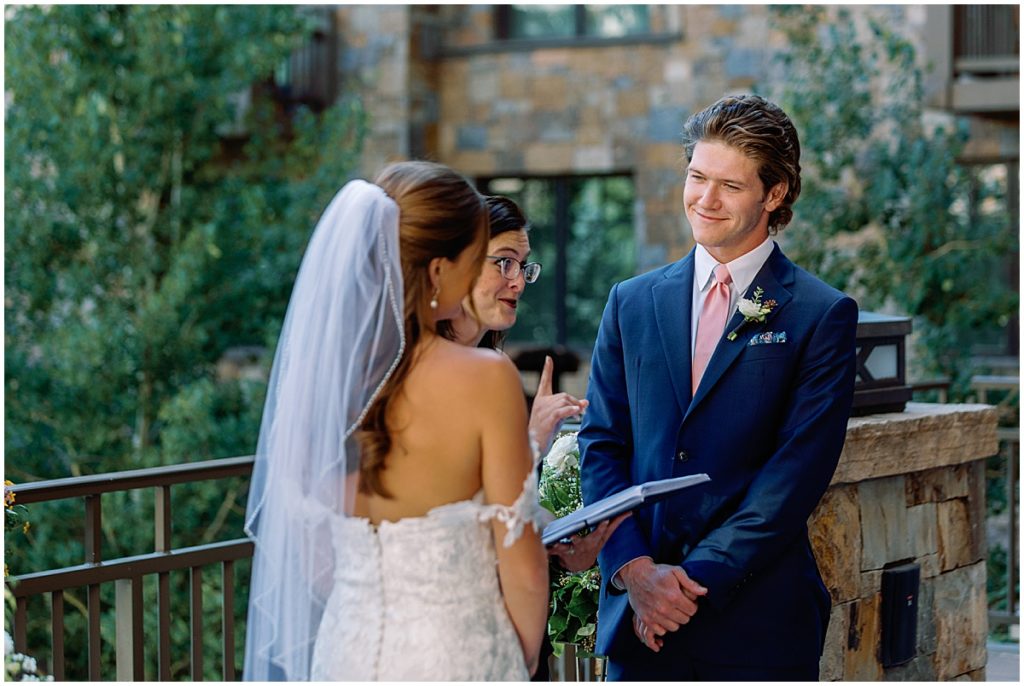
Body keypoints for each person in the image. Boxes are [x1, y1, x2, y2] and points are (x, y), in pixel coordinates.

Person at [579, 94, 858, 681]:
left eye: (728, 186)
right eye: (696, 177)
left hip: (755, 624)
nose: (704, 200)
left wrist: (683, 589)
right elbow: (601, 446)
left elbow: (792, 479)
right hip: (639, 628)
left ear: (774, 193)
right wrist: (635, 570)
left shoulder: (819, 313)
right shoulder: (631, 302)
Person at [243, 161, 549, 681]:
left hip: (346, 649)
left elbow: (310, 550)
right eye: (474, 258)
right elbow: (521, 563)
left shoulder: (324, 382)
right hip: (456, 653)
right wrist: (515, 658)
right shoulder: (485, 377)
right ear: (437, 270)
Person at [443, 195, 628, 681]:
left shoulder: (494, 367)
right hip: (462, 628)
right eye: (503, 262)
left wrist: (567, 547)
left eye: (524, 266)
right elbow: (445, 509)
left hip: (513, 623)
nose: (518, 281)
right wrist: (533, 439)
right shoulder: (432, 376)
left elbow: (499, 510)